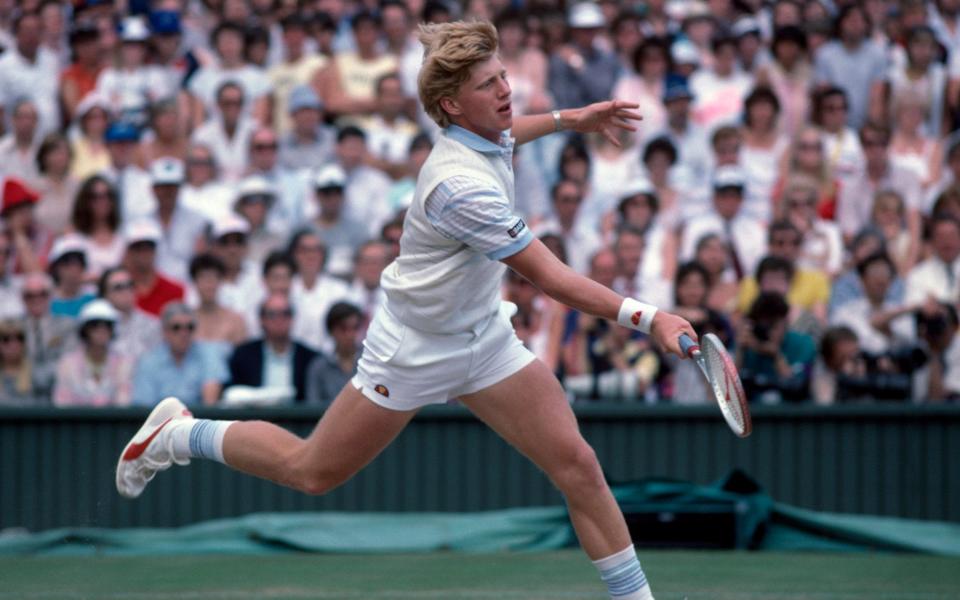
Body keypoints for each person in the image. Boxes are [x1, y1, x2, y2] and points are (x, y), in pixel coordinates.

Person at [117, 21, 696, 600]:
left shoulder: (486, 131)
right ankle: (179, 434)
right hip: (414, 347)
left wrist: (573, 119)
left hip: (484, 337)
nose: (505, 91)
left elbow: (513, 130)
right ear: (451, 104)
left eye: (502, 76)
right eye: (488, 84)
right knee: (311, 471)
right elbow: (552, 279)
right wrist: (652, 318)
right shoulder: (458, 187)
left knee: (578, 465)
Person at [227, 292, 317, 404]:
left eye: (285, 313)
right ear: (262, 320)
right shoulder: (242, 356)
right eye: (272, 314)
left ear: (292, 318)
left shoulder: (310, 359)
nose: (279, 319)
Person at [131, 302, 227, 407]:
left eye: (189, 327)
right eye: (176, 327)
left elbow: (210, 404)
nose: (184, 333)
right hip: (162, 421)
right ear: (165, 331)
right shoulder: (149, 362)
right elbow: (144, 408)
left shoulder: (208, 353)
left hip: (199, 421)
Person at [53, 299, 134, 407]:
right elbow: (62, 402)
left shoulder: (123, 363)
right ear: (85, 329)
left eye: (107, 325)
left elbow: (124, 401)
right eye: (95, 325)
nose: (102, 330)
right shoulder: (67, 364)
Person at [305, 301, 363, 406]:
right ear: (331, 330)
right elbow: (312, 407)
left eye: (354, 328)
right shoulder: (318, 367)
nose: (350, 335)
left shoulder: (371, 363)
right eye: (343, 329)